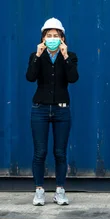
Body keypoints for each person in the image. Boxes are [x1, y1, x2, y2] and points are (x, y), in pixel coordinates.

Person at [26, 18, 79, 206]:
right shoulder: (37, 55)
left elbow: (73, 78)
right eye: (49, 36)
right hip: (39, 108)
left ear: (62, 38)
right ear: (43, 38)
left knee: (60, 152)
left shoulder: (70, 56)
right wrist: (38, 56)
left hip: (61, 110)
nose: (52, 39)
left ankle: (60, 190)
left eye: (56, 36)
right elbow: (30, 77)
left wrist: (65, 56)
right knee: (40, 152)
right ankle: (39, 190)